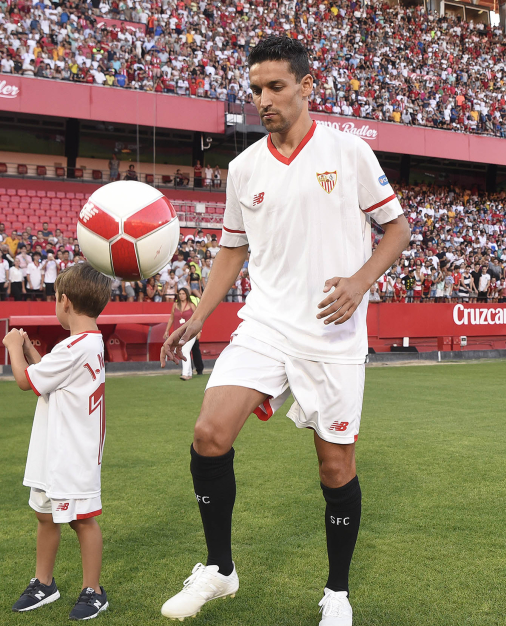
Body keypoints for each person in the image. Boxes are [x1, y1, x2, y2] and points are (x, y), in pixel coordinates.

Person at [158, 37, 410, 626]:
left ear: (305, 86)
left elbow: (397, 231)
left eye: (275, 87)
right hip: (266, 323)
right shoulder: (243, 168)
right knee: (209, 433)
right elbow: (230, 251)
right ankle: (220, 570)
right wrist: (198, 316)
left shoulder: (349, 153)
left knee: (335, 468)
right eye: (255, 90)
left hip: (333, 333)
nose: (263, 100)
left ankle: (337, 594)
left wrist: (359, 282)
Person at [3, 263, 112, 620]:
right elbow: (48, 374)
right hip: (55, 448)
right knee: (45, 515)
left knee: (82, 520)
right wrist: (34, 355)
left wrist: (13, 347)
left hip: (71, 452)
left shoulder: (74, 348)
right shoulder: (86, 342)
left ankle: (94, 590)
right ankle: (44, 583)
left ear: (64, 301)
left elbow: (25, 381)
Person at [166, 289, 203, 380]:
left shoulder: (192, 305)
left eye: (183, 294)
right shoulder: (175, 305)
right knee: (181, 351)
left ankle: (185, 374)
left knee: (185, 350)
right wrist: (167, 331)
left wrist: (199, 331)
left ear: (186, 295)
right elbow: (171, 318)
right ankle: (189, 373)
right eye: (180, 294)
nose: (181, 295)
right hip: (178, 333)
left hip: (190, 332)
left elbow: (197, 319)